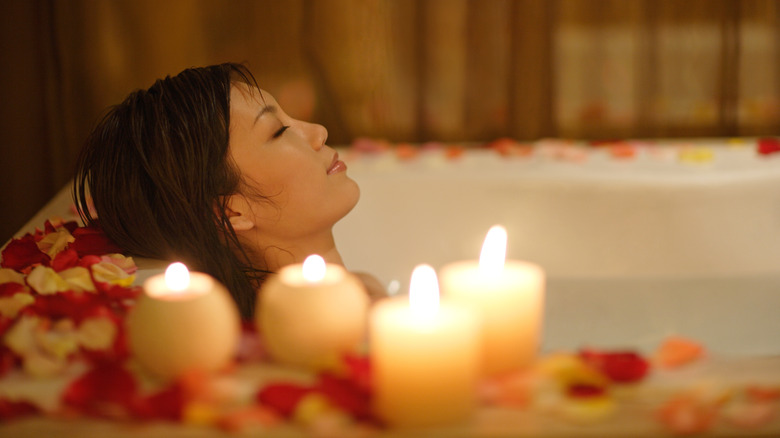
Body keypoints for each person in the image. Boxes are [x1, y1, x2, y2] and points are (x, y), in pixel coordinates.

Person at [73, 63, 384, 319]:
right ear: (231, 211)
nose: (319, 132)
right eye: (279, 131)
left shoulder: (361, 295)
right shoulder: (301, 335)